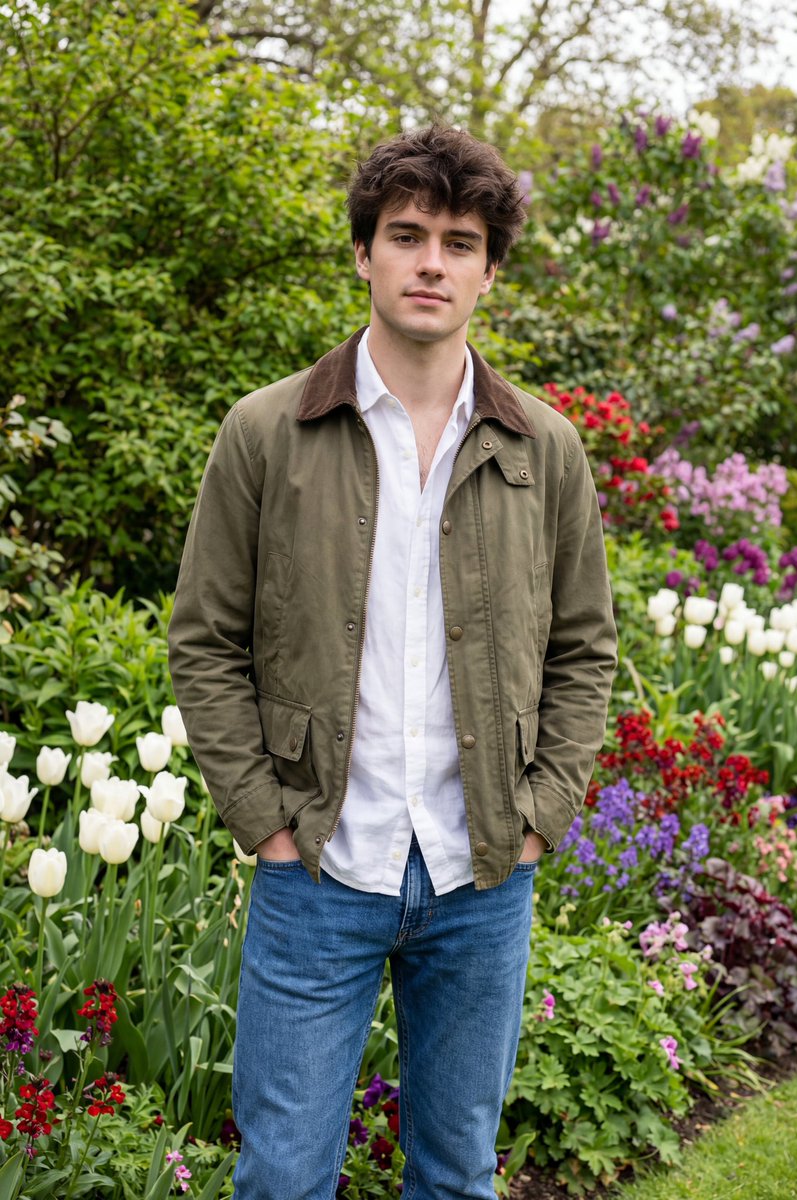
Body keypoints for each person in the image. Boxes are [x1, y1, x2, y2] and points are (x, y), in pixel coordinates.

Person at [168, 124, 617, 1200]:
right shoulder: (267, 431)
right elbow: (204, 639)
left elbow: (583, 646)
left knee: (457, 1177)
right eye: (406, 235)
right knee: (281, 1180)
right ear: (363, 252)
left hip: (481, 874)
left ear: (488, 271)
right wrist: (265, 824)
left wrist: (541, 812)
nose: (431, 263)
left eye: (459, 243)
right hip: (319, 866)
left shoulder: (544, 446)